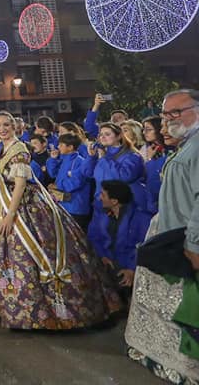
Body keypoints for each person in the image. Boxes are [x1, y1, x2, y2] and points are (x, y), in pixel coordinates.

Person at [0, 110, 118, 329]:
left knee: (33, 253)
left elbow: (20, 184)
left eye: (6, 125)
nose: (2, 129)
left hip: (24, 207)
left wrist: (11, 214)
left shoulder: (19, 148)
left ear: (14, 127)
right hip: (6, 202)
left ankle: (46, 311)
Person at [126, 89, 199, 380]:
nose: (169, 120)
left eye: (176, 112)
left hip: (185, 241)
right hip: (172, 236)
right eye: (166, 114)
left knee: (186, 306)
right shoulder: (187, 145)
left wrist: (194, 245)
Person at [88, 180, 150, 299]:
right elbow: (94, 238)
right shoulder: (101, 215)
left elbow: (144, 248)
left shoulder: (142, 219)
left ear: (114, 201)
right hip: (108, 263)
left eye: (103, 195)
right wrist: (102, 256)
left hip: (131, 267)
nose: (99, 198)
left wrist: (132, 269)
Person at [84, 121, 145, 218]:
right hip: (100, 205)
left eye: (107, 134)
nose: (102, 137)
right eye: (101, 134)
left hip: (120, 207)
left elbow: (124, 177)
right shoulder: (103, 154)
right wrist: (91, 157)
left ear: (118, 136)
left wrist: (105, 159)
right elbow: (87, 174)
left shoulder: (132, 156)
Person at [47, 133, 94, 229]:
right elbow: (53, 174)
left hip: (76, 207)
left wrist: (58, 186)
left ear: (70, 147)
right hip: (63, 205)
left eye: (61, 145)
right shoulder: (63, 160)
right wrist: (53, 160)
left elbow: (76, 183)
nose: (58, 147)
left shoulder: (80, 161)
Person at [141, 115, 167, 216]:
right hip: (152, 201)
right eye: (144, 129)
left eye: (148, 129)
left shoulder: (169, 150)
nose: (144, 133)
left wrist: (150, 160)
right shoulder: (147, 149)